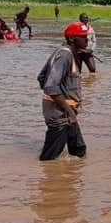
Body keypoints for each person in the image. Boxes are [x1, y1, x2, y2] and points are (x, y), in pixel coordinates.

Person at [38, 21, 90, 161]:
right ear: (72, 38)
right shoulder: (65, 55)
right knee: (49, 158)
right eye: (83, 37)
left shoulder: (70, 54)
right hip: (61, 116)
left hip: (67, 114)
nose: (87, 40)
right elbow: (50, 87)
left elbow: (41, 78)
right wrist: (69, 112)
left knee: (79, 151)